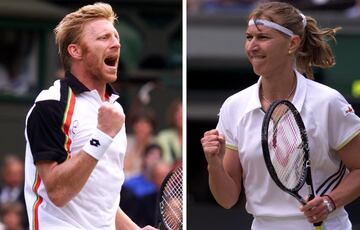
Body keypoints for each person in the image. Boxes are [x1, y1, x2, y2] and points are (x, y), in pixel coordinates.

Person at [200, 2, 360, 230]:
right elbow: (227, 199)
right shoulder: (233, 107)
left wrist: (330, 201)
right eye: (249, 37)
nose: (252, 46)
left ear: (292, 43)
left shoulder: (328, 103)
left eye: (263, 37)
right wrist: (213, 164)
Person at [24, 3, 157, 230]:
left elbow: (99, 199)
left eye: (115, 37)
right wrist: (102, 135)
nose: (116, 43)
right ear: (75, 51)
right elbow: (58, 192)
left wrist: (135, 229)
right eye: (104, 38)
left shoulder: (113, 108)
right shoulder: (51, 104)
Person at [156, 99, 182, 167]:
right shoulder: (163, 136)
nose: (181, 116)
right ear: (173, 116)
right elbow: (161, 162)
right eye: (178, 113)